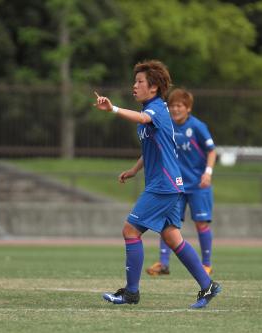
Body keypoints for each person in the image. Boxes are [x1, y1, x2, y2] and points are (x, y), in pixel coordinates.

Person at [93, 60, 221, 308]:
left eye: (140, 82)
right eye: (136, 81)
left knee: (130, 231)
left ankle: (131, 293)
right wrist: (134, 170)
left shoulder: (156, 109)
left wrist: (113, 109)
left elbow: (142, 118)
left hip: (163, 186)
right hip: (171, 185)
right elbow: (153, 148)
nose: (135, 85)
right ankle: (208, 286)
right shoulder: (154, 111)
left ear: (153, 88)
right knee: (172, 238)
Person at [146, 88, 217, 276]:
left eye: (179, 105)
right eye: (172, 106)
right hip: (175, 185)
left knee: (201, 223)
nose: (175, 109)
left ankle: (207, 264)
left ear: (188, 108)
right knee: (167, 224)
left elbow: (212, 151)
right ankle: (163, 263)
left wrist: (207, 173)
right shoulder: (167, 125)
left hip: (198, 185)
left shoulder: (197, 127)